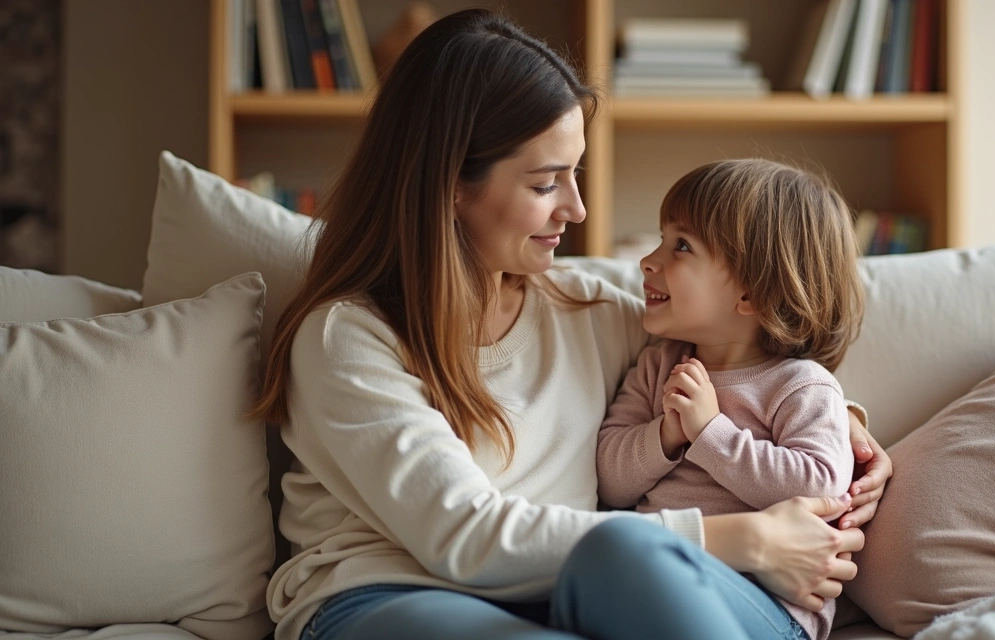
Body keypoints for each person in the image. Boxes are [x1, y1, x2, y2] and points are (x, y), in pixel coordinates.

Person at [251, 9, 892, 640]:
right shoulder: (349, 337)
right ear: (448, 183)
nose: (577, 209)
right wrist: (745, 538)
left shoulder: (591, 312)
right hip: (388, 596)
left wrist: (849, 438)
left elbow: (742, 342)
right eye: (545, 183)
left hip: (568, 597)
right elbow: (462, 537)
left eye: (575, 174)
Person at [596, 158, 864, 640]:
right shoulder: (658, 367)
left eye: (681, 246)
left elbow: (820, 486)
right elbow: (612, 482)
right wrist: (667, 433)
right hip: (662, 572)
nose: (648, 260)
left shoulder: (802, 385)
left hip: (770, 605)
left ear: (752, 293)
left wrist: (709, 433)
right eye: (661, 239)